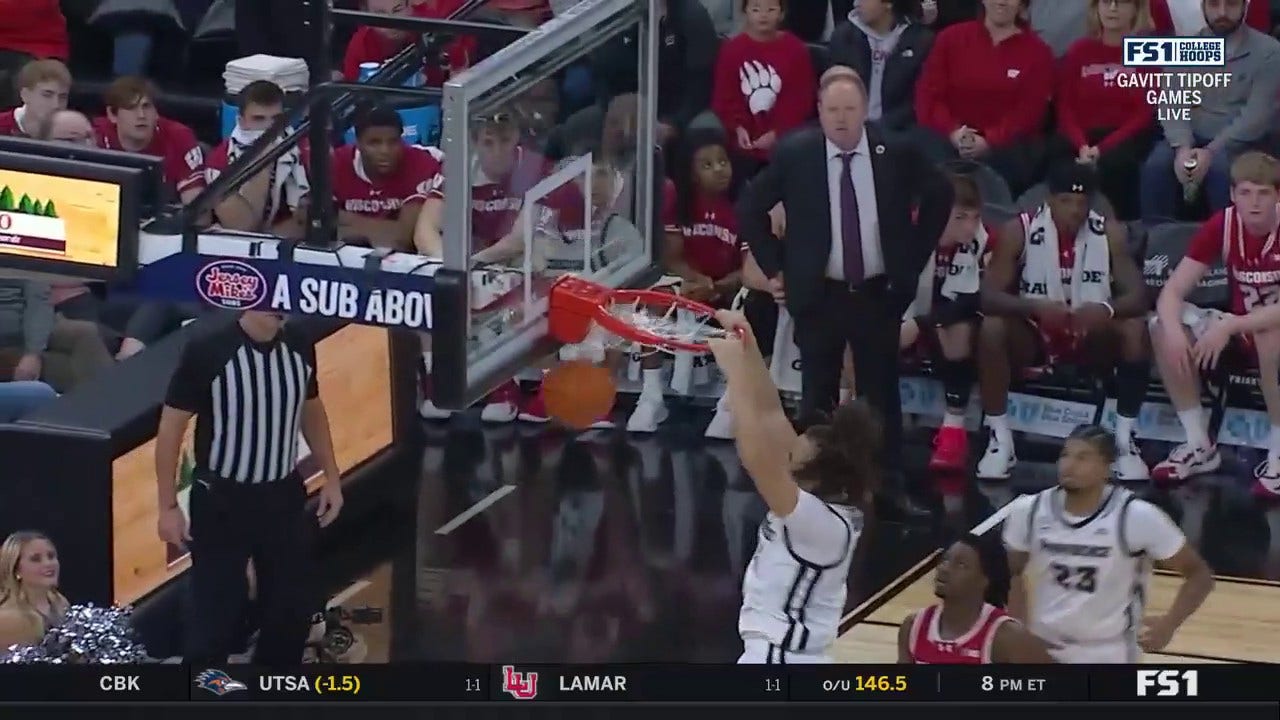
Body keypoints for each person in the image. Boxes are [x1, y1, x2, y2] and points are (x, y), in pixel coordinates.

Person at [737, 70, 952, 517]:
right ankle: (817, 489)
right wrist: (776, 268)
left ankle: (887, 486)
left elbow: (941, 193)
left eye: (849, 110)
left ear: (864, 110)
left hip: (877, 291)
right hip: (819, 293)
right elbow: (751, 207)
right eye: (832, 110)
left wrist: (912, 256)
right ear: (819, 111)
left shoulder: (894, 150)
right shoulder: (796, 154)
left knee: (880, 394)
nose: (840, 119)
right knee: (818, 392)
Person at [155, 311, 344, 665]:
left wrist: (331, 475)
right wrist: (167, 506)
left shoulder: (299, 342)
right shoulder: (208, 349)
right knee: (215, 613)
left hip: (282, 494)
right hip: (222, 500)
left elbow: (311, 408)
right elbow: (171, 428)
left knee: (290, 611)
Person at [706, 310, 870, 664]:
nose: (786, 450)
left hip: (783, 659)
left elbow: (754, 456)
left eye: (793, 452)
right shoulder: (821, 499)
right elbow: (769, 415)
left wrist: (733, 376)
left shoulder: (824, 525)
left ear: (816, 471)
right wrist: (748, 345)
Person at [976, 162, 1150, 481]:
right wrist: (1034, 306)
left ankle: (1124, 442)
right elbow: (987, 297)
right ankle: (1000, 440)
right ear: (1050, 199)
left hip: (1090, 335)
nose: (1075, 210)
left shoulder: (1109, 231)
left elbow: (1139, 297)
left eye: (1082, 203)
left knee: (1135, 329)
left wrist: (1106, 309)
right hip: (1036, 334)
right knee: (992, 328)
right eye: (1066, 201)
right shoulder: (1020, 230)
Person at [1002, 425, 1215, 663]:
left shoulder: (1136, 516)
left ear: (1106, 467)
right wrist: (1018, 636)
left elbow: (1199, 575)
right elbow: (1012, 577)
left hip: (1107, 653)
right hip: (1040, 648)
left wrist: (1169, 624)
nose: (1069, 464)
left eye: (1083, 457)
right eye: (1065, 455)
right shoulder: (1028, 511)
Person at [1150, 151, 1280, 498]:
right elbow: (1172, 292)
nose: (1253, 203)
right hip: (1239, 330)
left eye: (1263, 193)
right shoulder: (1223, 225)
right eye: (1246, 193)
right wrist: (1176, 331)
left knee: (1271, 335)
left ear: (1277, 195)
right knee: (1162, 326)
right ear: (1233, 195)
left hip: (1266, 333)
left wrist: (1230, 326)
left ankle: (1279, 453)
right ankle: (1198, 444)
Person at [629, 128, 743, 433]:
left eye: (722, 161)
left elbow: (748, 269)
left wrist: (718, 286)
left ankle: (731, 402)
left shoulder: (742, 205)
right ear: (691, 174)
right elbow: (672, 258)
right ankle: (651, 396)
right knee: (653, 298)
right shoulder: (678, 204)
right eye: (707, 165)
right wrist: (695, 280)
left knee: (747, 305)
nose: (719, 169)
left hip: (729, 288)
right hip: (691, 284)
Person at [1139, 0, 1280, 222]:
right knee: (1155, 167)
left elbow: (1256, 117)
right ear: (1203, 7)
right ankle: (1156, 244)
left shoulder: (1269, 51)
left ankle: (1227, 243)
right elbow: (1171, 104)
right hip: (1191, 136)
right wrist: (1182, 148)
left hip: (1241, 141)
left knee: (1221, 170)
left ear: (1245, 6)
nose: (1222, 13)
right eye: (1214, 5)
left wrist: (1211, 152)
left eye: (1231, 5)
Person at [912, 0, 1054, 196]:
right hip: (947, 140)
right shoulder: (950, 38)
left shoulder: (1038, 53)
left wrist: (988, 141)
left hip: (1004, 150)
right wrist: (953, 132)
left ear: (1022, 4)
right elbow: (929, 96)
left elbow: (1029, 112)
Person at [901, 172, 993, 473]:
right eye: (960, 217)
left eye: (975, 217)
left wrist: (921, 323)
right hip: (902, 313)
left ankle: (954, 429)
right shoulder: (902, 230)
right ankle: (853, 413)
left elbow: (973, 300)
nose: (970, 226)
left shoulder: (986, 240)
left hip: (944, 323)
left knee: (956, 328)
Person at [1052, 0, 1156, 222]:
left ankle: (1117, 232)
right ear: (1095, 8)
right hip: (1081, 136)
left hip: (1124, 137)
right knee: (1058, 160)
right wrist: (1082, 145)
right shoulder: (1079, 50)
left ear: (1136, 11)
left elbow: (1143, 114)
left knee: (1116, 165)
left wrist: (1101, 149)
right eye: (1106, 2)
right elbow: (1065, 106)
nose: (1112, 9)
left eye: (1122, 3)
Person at [898, 533, 1053, 663]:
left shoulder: (1005, 636)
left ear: (984, 580)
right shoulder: (913, 626)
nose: (944, 569)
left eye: (961, 565)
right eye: (945, 560)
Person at [711, 0, 816, 175]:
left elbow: (800, 101)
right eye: (756, 8)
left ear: (781, 13)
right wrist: (738, 127)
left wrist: (777, 133)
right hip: (741, 145)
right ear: (745, 11)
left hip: (785, 142)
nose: (763, 14)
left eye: (771, 9)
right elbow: (724, 97)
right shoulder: (730, 51)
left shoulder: (796, 50)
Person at [333, 103, 446, 253]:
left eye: (393, 142)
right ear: (358, 144)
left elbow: (402, 240)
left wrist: (342, 221)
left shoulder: (420, 163)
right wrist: (382, 230)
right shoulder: (337, 162)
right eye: (374, 143)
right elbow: (307, 222)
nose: (385, 151)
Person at [204, 80, 310, 238]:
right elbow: (241, 227)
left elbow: (310, 219)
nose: (269, 127)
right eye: (259, 119)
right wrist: (263, 159)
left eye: (276, 119)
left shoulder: (302, 148)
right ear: (241, 121)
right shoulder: (219, 161)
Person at [828, 0, 934, 145]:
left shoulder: (921, 41)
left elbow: (916, 101)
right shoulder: (843, 37)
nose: (856, 3)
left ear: (888, 3)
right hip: (850, 128)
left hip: (901, 133)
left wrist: (880, 128)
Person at [94, 76, 207, 205]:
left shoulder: (179, 137)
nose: (141, 115)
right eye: (131, 108)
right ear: (112, 115)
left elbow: (195, 209)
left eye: (146, 106)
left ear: (156, 113)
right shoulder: (94, 135)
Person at [0, 530, 68, 649]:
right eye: (36, 559)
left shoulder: (59, 602)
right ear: (16, 570)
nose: (48, 563)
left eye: (51, 556)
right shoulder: (8, 619)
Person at [0, 58, 69, 137]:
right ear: (25, 95)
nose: (56, 105)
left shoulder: (74, 133)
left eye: (63, 97)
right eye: (47, 95)